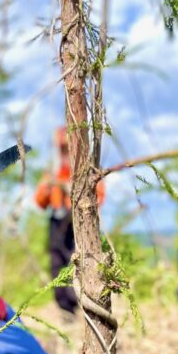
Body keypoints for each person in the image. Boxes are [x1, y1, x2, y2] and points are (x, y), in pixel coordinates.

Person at [34, 127, 105, 314]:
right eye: (62, 148)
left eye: (68, 147)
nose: (65, 152)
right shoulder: (52, 172)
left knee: (78, 262)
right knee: (57, 263)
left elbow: (99, 197)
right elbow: (40, 202)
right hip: (57, 223)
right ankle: (65, 309)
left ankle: (82, 303)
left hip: (79, 223)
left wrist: (74, 192)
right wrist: (48, 189)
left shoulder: (85, 170)